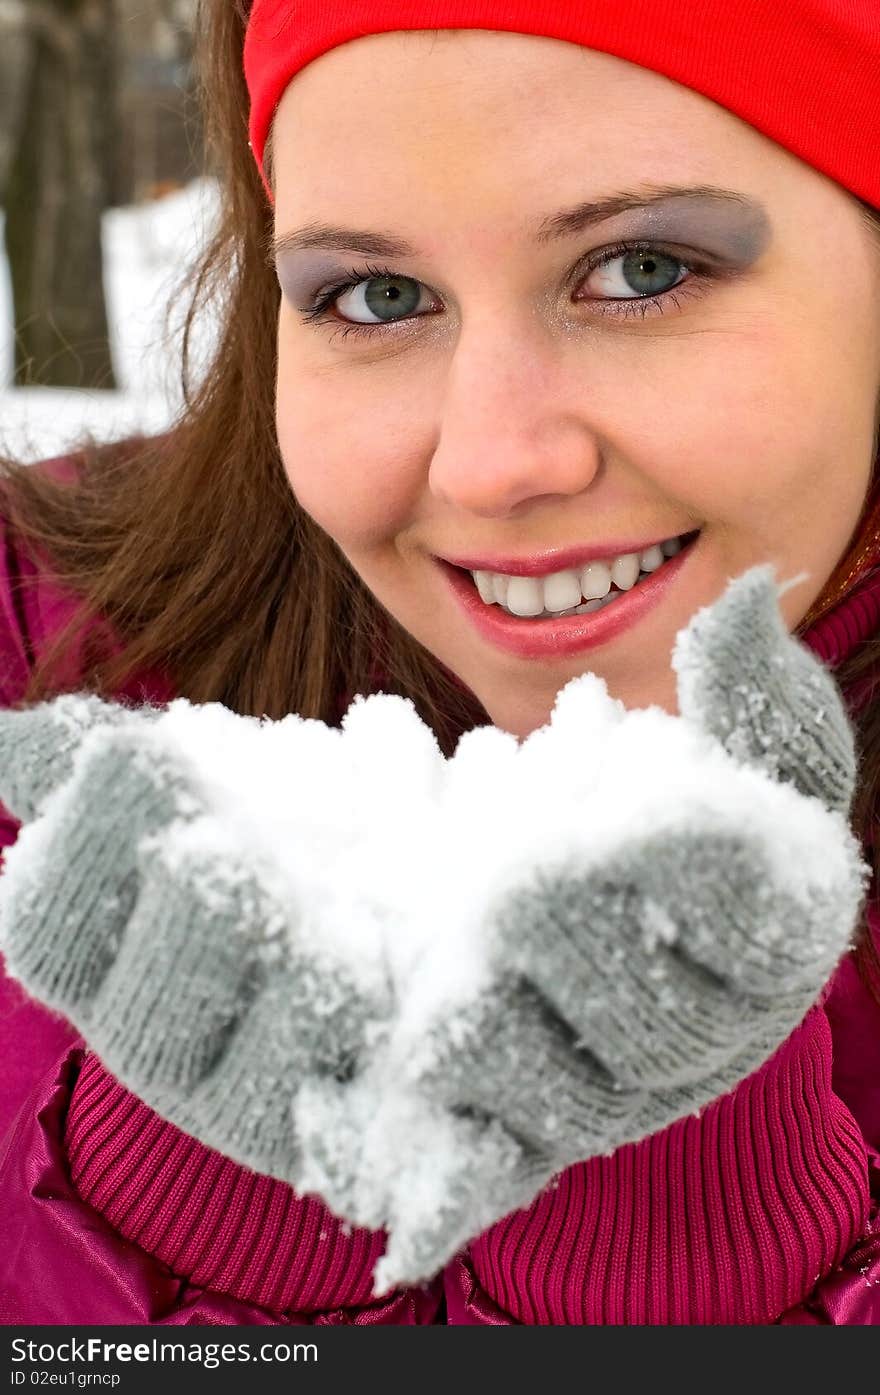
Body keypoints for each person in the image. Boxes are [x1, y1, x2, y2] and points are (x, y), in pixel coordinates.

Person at [1, 0, 879, 1325]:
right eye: (378, 296)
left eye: (642, 269)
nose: (488, 464)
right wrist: (217, 1216)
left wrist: (690, 1219)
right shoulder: (39, 639)